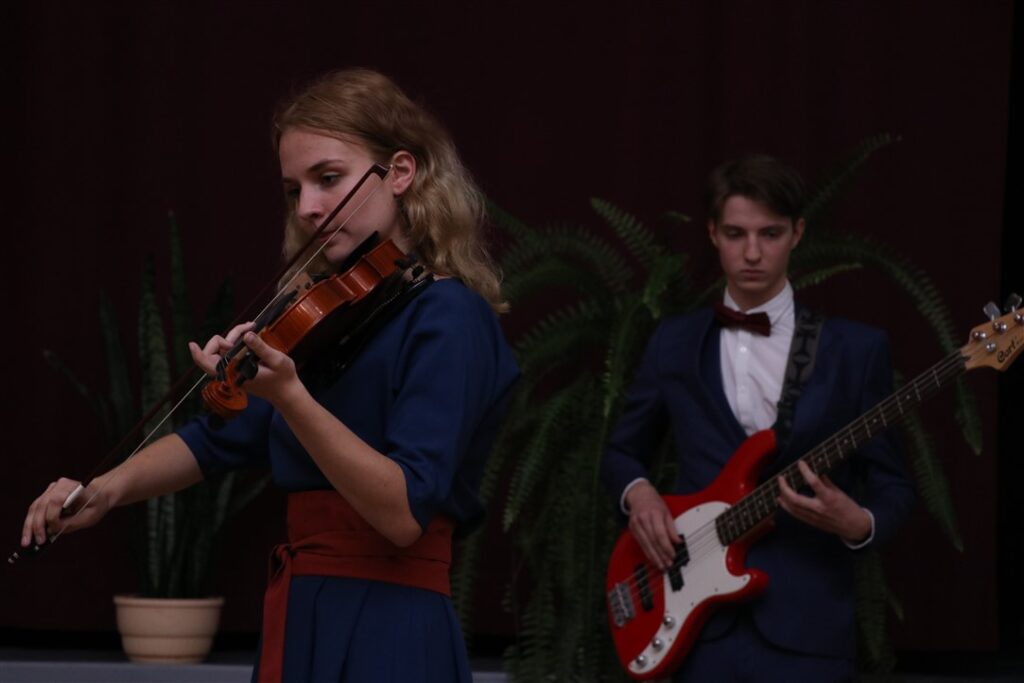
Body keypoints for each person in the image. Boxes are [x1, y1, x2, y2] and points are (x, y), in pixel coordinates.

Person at [21, 68, 519, 683]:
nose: (308, 207)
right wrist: (103, 490)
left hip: (390, 619)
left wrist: (288, 394)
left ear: (399, 172)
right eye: (293, 189)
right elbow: (217, 441)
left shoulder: (449, 316)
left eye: (328, 178)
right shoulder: (326, 318)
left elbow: (403, 514)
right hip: (304, 604)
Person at [601, 154, 915, 681]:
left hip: (807, 627)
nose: (752, 253)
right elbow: (620, 452)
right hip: (695, 627)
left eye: (770, 234)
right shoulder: (673, 343)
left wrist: (859, 523)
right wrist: (641, 495)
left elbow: (895, 485)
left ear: (797, 233)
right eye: (735, 233)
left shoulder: (855, 351)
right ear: (712, 233)